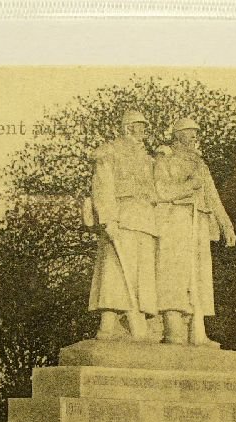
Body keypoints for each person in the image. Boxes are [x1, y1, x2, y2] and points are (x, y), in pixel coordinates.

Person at [153, 117, 236, 346]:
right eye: (189, 132)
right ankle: (172, 328)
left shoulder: (200, 163)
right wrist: (189, 186)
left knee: (198, 275)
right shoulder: (165, 157)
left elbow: (212, 196)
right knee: (174, 272)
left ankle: (197, 331)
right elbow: (161, 190)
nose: (194, 136)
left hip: (199, 220)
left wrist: (225, 224)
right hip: (175, 220)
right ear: (177, 134)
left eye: (195, 132)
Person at [88, 109, 159, 342]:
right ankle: (107, 324)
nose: (143, 131)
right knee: (115, 270)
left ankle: (135, 319)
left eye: (144, 127)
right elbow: (103, 184)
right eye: (139, 126)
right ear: (128, 127)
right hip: (123, 215)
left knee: (140, 273)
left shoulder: (148, 158)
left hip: (146, 219)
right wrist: (108, 218)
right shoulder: (111, 151)